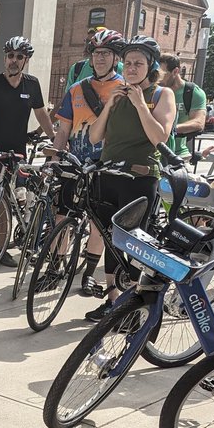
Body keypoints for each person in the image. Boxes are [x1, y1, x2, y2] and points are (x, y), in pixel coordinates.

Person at [84, 35, 176, 321]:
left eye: (138, 63)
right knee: (112, 240)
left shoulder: (161, 95)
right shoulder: (119, 94)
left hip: (139, 178)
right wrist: (110, 104)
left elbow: (160, 137)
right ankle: (114, 301)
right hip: (109, 174)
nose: (132, 68)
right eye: (128, 63)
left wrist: (139, 105)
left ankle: (134, 307)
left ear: (151, 67)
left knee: (133, 243)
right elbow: (94, 136)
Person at [52, 29, 126, 295]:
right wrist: (55, 159)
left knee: (98, 223)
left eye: (106, 53)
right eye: (96, 53)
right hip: (75, 163)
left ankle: (88, 274)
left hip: (106, 166)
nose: (100, 58)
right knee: (63, 217)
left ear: (116, 57)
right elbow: (63, 131)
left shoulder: (125, 89)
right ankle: (54, 268)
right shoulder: (76, 90)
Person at [0, 36, 54, 267]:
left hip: (16, 153)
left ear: (26, 60)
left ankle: (1, 249)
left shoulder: (32, 84)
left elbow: (41, 115)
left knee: (6, 202)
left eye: (19, 57)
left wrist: (56, 139)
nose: (13, 61)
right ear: (5, 58)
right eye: (10, 56)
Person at [159, 53, 207, 159]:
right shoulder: (156, 90)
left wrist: (168, 130)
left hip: (178, 152)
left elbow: (198, 123)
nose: (158, 79)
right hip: (153, 151)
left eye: (162, 74)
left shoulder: (192, 92)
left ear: (175, 71)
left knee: (182, 175)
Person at [64, 27, 123, 92]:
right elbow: (68, 96)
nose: (88, 44)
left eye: (105, 53)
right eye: (88, 41)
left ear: (116, 60)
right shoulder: (77, 68)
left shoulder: (121, 68)